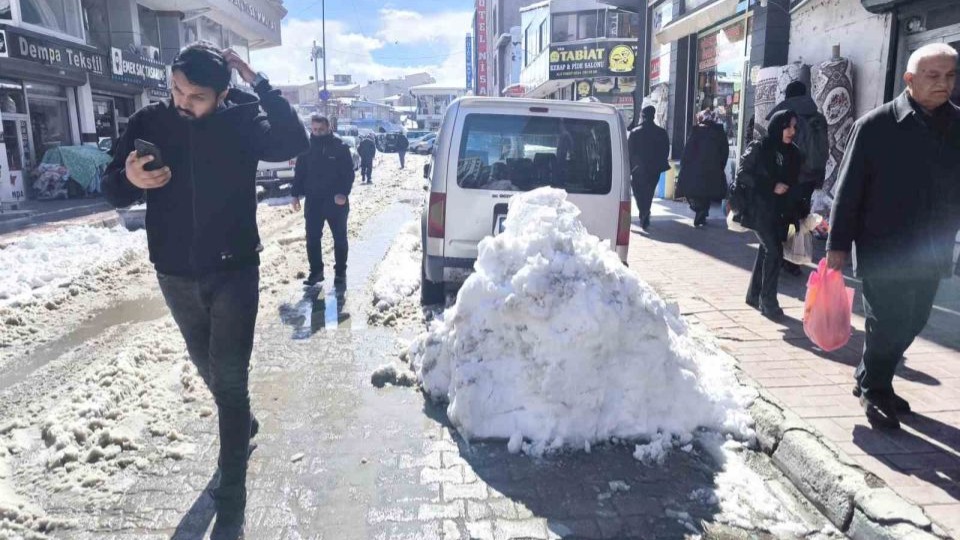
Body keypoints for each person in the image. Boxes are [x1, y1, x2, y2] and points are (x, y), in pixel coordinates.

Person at [101, 42, 308, 539]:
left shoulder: (242, 119)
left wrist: (257, 83)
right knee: (208, 368)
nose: (182, 102)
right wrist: (128, 179)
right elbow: (110, 186)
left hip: (234, 269)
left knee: (231, 381)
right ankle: (244, 426)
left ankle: (232, 491)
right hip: (173, 272)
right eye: (176, 89)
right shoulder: (150, 122)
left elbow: (292, 140)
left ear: (221, 94)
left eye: (196, 95)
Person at [827, 43, 960, 430]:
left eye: (950, 75)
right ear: (909, 80)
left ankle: (869, 375)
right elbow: (848, 190)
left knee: (915, 320)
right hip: (882, 246)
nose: (943, 84)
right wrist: (837, 246)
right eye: (933, 76)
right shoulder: (875, 126)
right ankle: (876, 390)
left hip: (931, 248)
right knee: (885, 322)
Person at [736, 110, 802, 320]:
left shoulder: (794, 153)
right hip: (758, 209)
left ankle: (754, 295)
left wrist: (802, 211)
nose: (791, 131)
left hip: (779, 213)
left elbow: (795, 185)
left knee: (767, 251)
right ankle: (769, 302)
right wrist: (771, 186)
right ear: (777, 127)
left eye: (794, 127)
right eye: (787, 126)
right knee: (774, 251)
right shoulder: (761, 147)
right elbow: (743, 174)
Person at [767, 81, 829, 276]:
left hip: (793, 175)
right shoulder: (818, 117)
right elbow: (823, 148)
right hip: (811, 176)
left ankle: (787, 257)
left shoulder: (789, 116)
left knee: (786, 216)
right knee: (802, 216)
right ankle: (795, 258)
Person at [292, 115, 355, 287]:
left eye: (320, 129)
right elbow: (300, 172)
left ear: (328, 128)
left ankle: (340, 272)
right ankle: (316, 272)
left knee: (339, 238)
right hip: (313, 201)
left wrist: (343, 193)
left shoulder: (339, 147)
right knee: (312, 238)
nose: (317, 133)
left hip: (336, 202)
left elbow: (348, 173)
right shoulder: (306, 148)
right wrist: (295, 194)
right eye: (314, 129)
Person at [677, 110, 729, 227]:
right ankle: (703, 213)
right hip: (713, 168)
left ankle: (699, 210)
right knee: (707, 192)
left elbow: (688, 150)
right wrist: (720, 165)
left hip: (695, 167)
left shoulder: (696, 131)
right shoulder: (719, 132)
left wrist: (684, 164)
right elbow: (724, 151)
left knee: (693, 192)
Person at [627, 105, 671, 229]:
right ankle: (645, 211)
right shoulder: (661, 132)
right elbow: (665, 150)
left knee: (638, 191)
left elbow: (630, 151)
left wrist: (631, 167)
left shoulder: (635, 132)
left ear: (642, 115)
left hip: (638, 169)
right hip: (655, 168)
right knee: (649, 191)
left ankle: (643, 210)